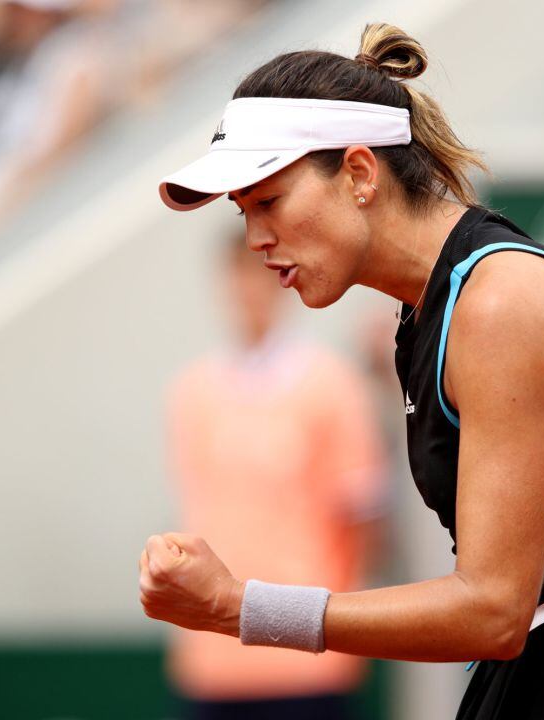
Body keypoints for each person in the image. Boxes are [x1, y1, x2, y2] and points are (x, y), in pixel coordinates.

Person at [139, 22, 544, 719]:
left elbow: (491, 610)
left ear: (359, 173)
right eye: (243, 214)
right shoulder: (423, 317)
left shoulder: (498, 302)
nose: (256, 239)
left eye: (268, 201)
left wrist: (243, 608)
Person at [164, 231, 389, 719]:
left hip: (306, 656)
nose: (248, 291)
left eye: (259, 275)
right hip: (215, 661)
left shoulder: (331, 385)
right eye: (238, 276)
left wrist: (338, 620)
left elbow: (363, 516)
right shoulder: (193, 392)